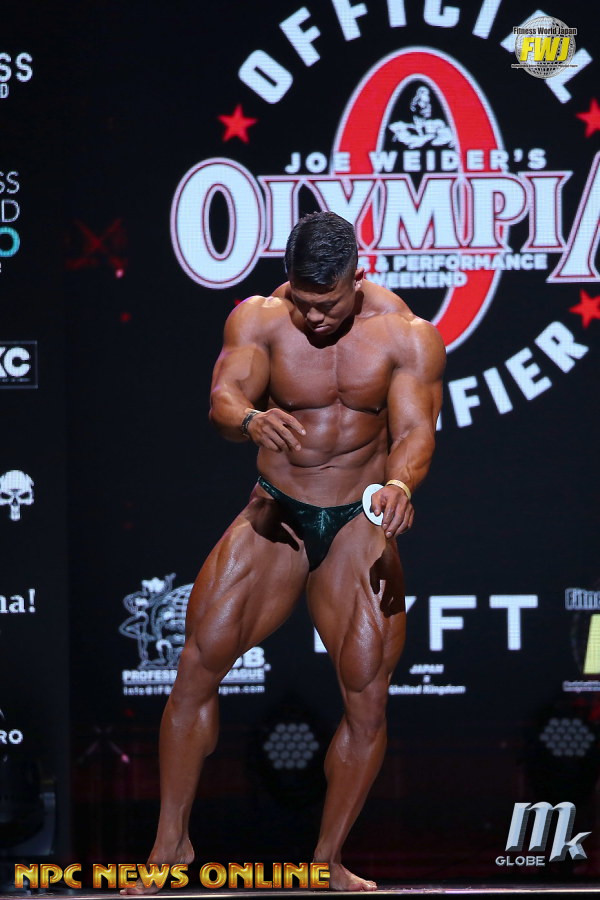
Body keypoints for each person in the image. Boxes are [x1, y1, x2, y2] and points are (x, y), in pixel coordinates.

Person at [123, 211, 445, 893]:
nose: (315, 317)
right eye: (303, 300)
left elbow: (417, 430)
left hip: (356, 522)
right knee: (196, 667)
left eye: (328, 303)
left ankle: (327, 860)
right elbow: (223, 397)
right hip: (278, 513)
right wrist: (248, 419)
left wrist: (398, 484)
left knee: (367, 698)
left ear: (359, 276)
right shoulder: (261, 319)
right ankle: (169, 846)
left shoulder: (406, 335)